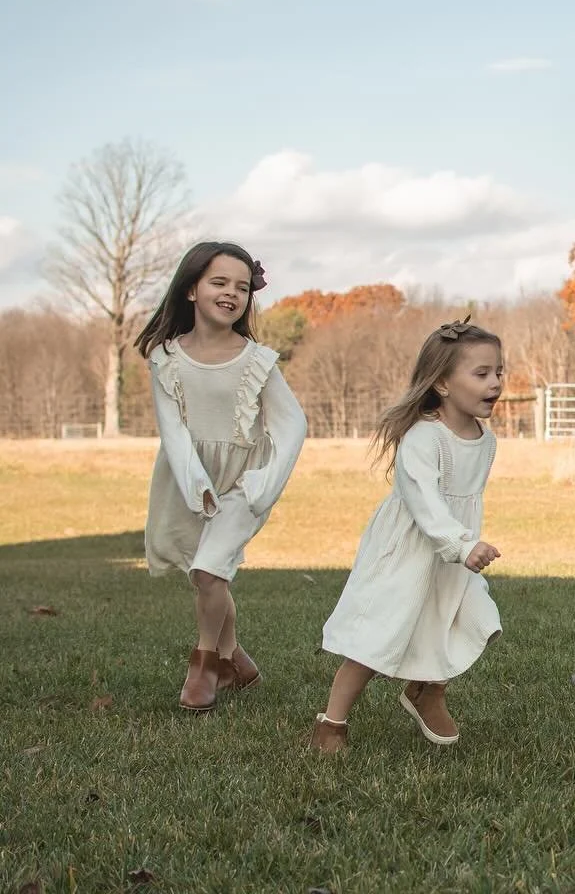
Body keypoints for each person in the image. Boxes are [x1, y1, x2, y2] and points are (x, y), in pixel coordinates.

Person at [311, 319, 506, 753]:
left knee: (468, 618)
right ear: (441, 383)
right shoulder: (423, 438)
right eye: (481, 374)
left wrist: (462, 546)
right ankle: (332, 723)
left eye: (498, 372)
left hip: (452, 556)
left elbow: (464, 500)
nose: (495, 382)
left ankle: (427, 689)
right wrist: (460, 544)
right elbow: (425, 504)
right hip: (410, 550)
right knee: (377, 637)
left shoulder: (484, 439)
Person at [136, 241, 307, 712]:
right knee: (206, 577)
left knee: (210, 570)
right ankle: (238, 660)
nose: (232, 293)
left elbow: (293, 424)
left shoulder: (257, 361)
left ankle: (205, 662)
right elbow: (171, 428)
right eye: (219, 282)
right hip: (188, 475)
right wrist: (194, 483)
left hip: (243, 482)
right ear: (192, 289)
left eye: (242, 286)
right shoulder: (164, 356)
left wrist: (264, 485)